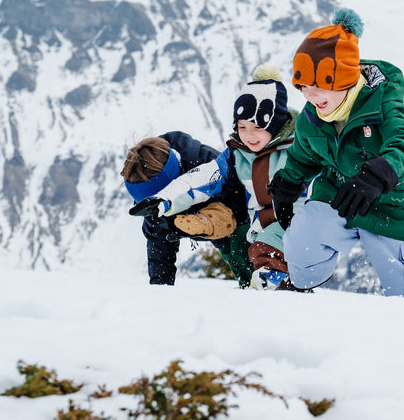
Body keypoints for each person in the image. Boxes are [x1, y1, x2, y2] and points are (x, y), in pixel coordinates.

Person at [268, 8, 404, 297]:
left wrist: (379, 174)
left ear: (345, 80)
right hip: (340, 197)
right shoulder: (311, 117)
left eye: (320, 86)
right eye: (303, 87)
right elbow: (304, 155)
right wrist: (289, 182)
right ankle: (298, 291)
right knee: (301, 240)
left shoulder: (383, 105)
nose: (310, 97)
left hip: (394, 204)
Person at [128, 65, 301, 289]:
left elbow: (232, 199)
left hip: (253, 221)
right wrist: (161, 289)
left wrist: (211, 223)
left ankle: (273, 286)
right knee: (255, 269)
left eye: (257, 126)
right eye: (242, 127)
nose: (249, 135)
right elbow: (158, 247)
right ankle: (266, 287)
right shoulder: (236, 154)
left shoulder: (203, 161)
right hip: (258, 222)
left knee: (250, 250)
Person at [122, 133, 252, 286]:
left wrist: (210, 223)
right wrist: (160, 291)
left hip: (241, 221)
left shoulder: (207, 165)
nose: (160, 210)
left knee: (248, 261)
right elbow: (159, 250)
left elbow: (240, 199)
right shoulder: (154, 204)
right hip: (212, 230)